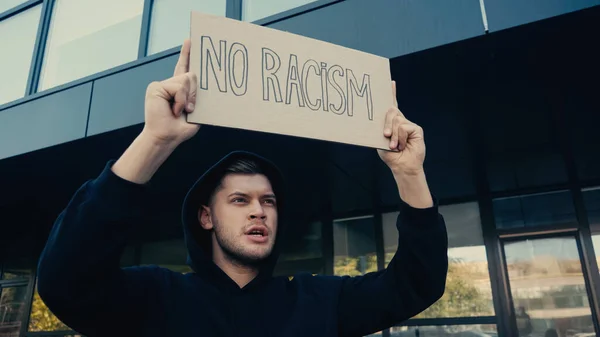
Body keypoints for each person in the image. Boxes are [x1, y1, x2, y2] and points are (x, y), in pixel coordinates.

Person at [36, 39, 448, 337]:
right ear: (205, 216)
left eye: (268, 201)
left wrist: (410, 173)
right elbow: (65, 279)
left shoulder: (320, 301)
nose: (259, 210)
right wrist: (155, 141)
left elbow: (417, 283)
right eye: (240, 200)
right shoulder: (156, 298)